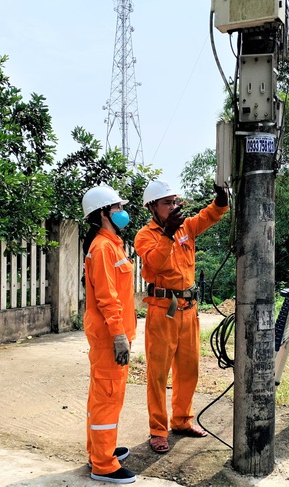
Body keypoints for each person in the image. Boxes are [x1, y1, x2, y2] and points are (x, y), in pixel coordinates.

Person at [134, 180, 229, 454]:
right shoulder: (145, 235)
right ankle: (157, 430)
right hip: (163, 312)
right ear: (152, 207)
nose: (174, 207)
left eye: (176, 202)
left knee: (189, 369)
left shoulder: (186, 227)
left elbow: (208, 216)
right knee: (157, 374)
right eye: (167, 203)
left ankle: (183, 420)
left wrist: (221, 202)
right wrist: (167, 234)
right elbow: (156, 263)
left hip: (189, 309)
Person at [81, 184, 137, 484]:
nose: (121, 212)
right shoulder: (103, 248)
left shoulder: (112, 244)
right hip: (108, 336)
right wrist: (118, 334)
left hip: (111, 334)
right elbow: (107, 297)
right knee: (108, 397)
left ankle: (99, 449)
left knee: (102, 395)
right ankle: (103, 464)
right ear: (103, 213)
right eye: (117, 208)